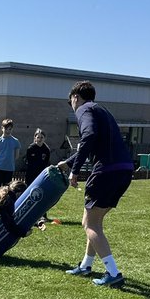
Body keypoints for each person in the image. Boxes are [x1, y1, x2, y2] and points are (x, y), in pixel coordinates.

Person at [61, 80, 134, 287]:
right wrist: (68, 163)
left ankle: (113, 273)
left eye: (70, 102)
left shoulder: (84, 109)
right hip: (124, 170)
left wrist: (74, 170)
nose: (72, 106)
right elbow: (97, 141)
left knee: (89, 223)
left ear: (75, 96)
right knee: (94, 221)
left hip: (106, 172)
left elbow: (89, 137)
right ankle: (86, 265)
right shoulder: (101, 110)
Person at [0, 119, 21, 189]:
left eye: (10, 129)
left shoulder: (16, 141)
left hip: (9, 168)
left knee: (7, 189)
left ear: (12, 129)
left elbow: (16, 156)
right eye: (6, 129)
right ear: (2, 128)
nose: (8, 131)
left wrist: (9, 161)